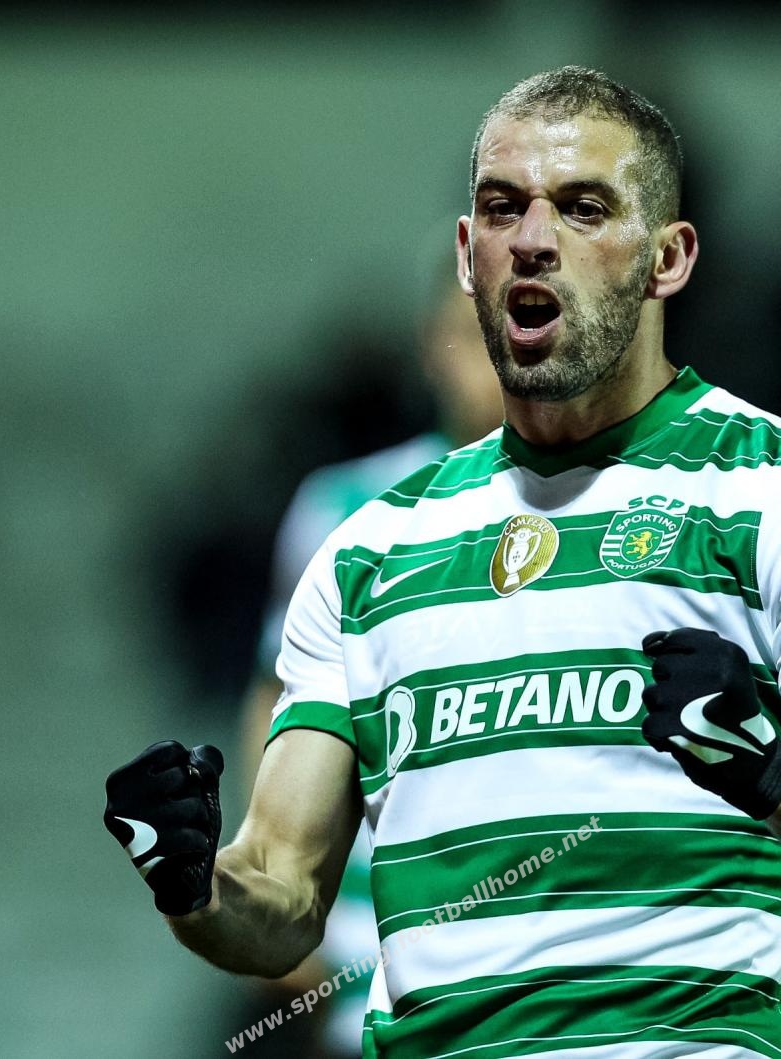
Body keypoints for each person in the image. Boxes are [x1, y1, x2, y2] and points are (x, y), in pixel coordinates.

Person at [104, 67, 781, 1058]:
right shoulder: (368, 548)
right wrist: (194, 885)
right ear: (469, 257)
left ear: (669, 257)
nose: (534, 239)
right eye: (503, 209)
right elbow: (280, 905)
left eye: (583, 208)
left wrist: (770, 773)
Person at [234, 273, 500, 1057]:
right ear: (432, 345)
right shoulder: (345, 507)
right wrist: (274, 879)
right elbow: (278, 700)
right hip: (371, 945)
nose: (492, 358)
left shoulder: (608, 505)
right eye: (470, 332)